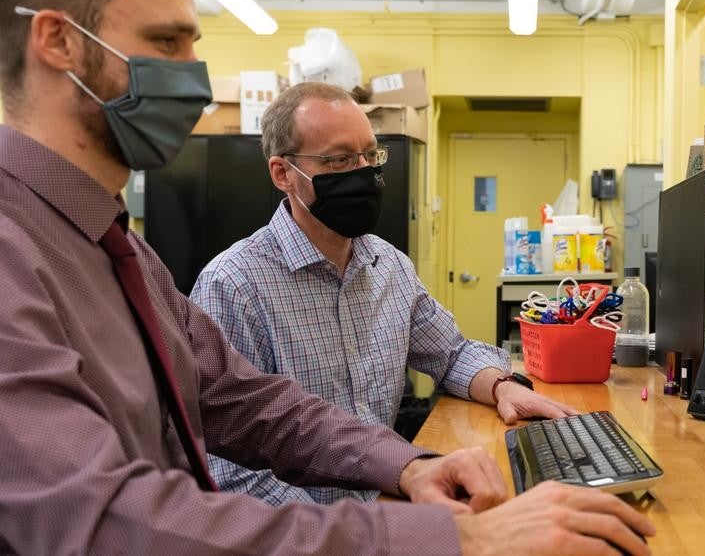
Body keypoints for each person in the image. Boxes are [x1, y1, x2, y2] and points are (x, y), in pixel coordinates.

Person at [0, 0, 653, 556]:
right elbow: (100, 522)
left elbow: (249, 404)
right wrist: (452, 538)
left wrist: (404, 465)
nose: (192, 72)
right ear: (57, 41)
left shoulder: (117, 249)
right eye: (166, 43)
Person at [191, 82, 578, 505]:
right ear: (283, 174)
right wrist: (372, 531)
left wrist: (505, 387)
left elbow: (451, 353)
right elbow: (234, 480)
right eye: (339, 159)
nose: (364, 172)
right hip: (313, 534)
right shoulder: (233, 286)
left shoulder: (388, 265)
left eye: (370, 155)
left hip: (389, 495)